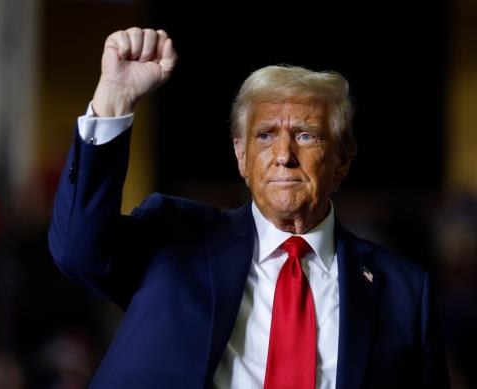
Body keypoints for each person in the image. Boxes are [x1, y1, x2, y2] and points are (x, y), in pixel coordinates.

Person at [48, 27, 450, 388]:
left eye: (306, 136)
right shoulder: (176, 237)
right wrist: (114, 99)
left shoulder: (405, 292)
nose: (284, 156)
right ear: (241, 157)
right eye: (265, 135)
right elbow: (77, 251)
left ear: (342, 160)